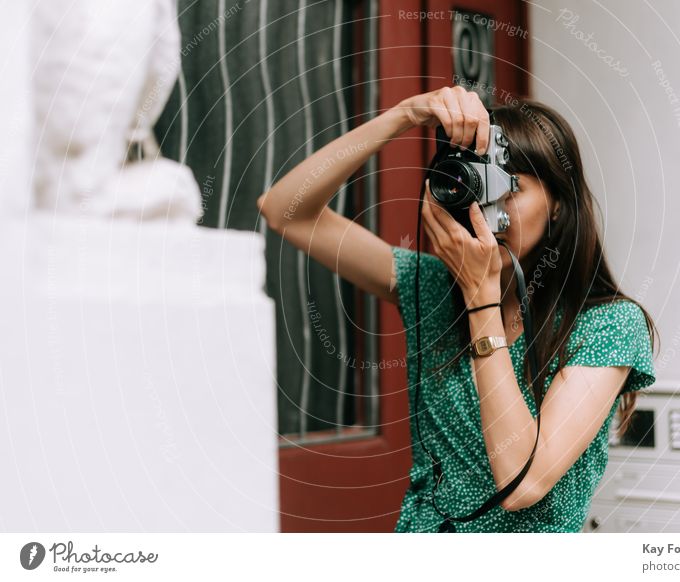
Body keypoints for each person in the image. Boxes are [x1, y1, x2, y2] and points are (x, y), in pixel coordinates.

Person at [257, 84, 658, 532]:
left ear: (559, 204)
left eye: (509, 190)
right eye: (474, 187)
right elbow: (286, 211)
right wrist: (404, 115)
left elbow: (521, 483)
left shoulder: (608, 326)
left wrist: (481, 296)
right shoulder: (433, 288)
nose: (485, 210)